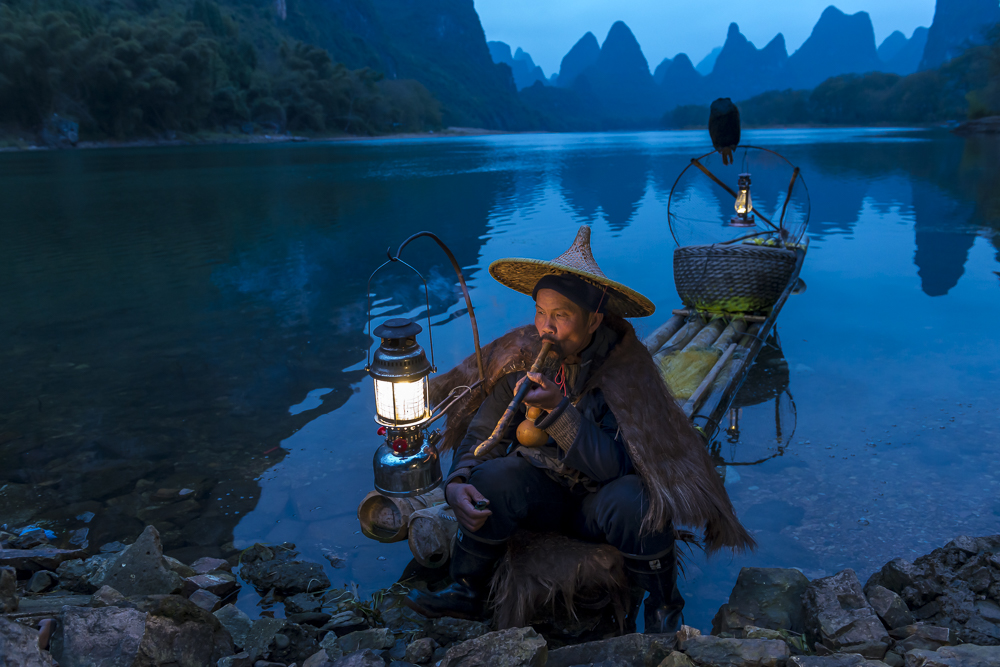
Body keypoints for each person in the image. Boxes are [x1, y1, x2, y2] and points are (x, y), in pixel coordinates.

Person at [405, 226, 753, 632]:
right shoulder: (525, 357)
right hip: (542, 498)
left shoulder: (624, 371)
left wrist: (558, 410)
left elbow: (614, 466)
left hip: (598, 505)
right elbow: (484, 433)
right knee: (491, 476)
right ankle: (466, 588)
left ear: (593, 321)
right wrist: (457, 481)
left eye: (562, 315)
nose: (545, 327)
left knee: (636, 501)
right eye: (540, 312)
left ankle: (663, 605)